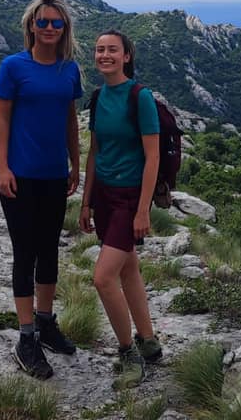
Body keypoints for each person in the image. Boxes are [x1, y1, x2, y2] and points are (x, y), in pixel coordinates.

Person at [0, 0, 82, 380]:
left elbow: (70, 120)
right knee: (25, 253)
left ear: (64, 29)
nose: (48, 28)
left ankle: (46, 322)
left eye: (55, 23)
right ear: (31, 25)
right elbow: (1, 120)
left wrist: (75, 163)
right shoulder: (13, 66)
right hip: (21, 176)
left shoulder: (69, 70)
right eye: (42, 21)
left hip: (54, 175)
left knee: (49, 251)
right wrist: (2, 169)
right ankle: (26, 337)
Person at [81, 30, 164, 389]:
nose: (105, 55)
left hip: (129, 198)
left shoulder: (139, 96)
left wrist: (143, 210)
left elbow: (152, 157)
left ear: (126, 56)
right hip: (103, 195)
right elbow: (95, 152)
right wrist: (86, 201)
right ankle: (149, 342)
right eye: (100, 50)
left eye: (112, 50)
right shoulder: (98, 97)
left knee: (103, 278)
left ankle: (128, 352)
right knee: (128, 269)